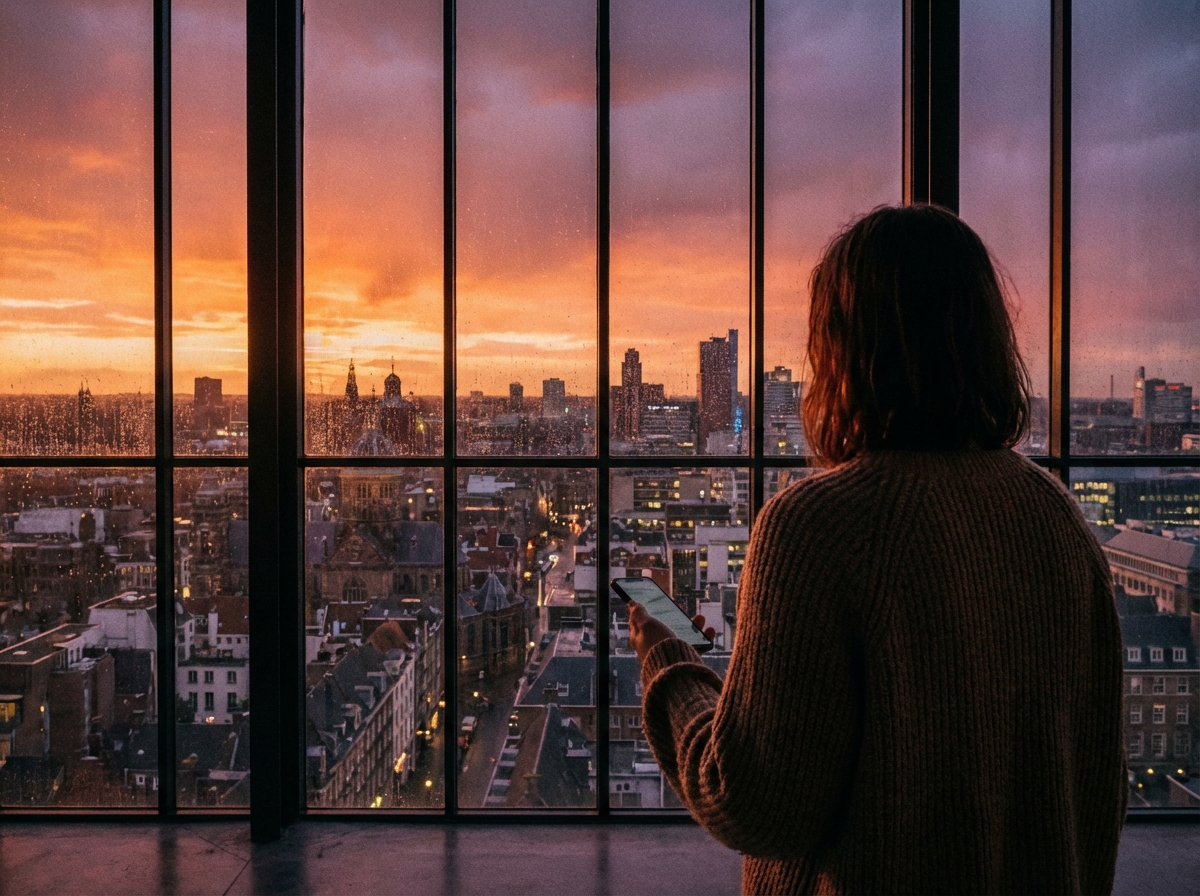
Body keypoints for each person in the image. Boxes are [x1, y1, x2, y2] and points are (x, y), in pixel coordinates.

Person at [627, 204, 1127, 895]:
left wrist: (667, 661)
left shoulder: (815, 528)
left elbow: (753, 803)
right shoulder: (1061, 523)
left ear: (840, 351)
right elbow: (1098, 790)